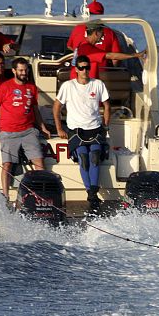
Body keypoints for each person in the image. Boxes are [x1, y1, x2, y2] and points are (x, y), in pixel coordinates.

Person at [0, 58, 51, 201]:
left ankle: (41, 195)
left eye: (26, 70)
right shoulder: (5, 87)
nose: (24, 73)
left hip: (28, 131)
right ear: (14, 71)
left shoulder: (32, 88)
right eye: (20, 70)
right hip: (8, 132)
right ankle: (6, 196)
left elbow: (34, 109)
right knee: (7, 164)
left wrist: (43, 127)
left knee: (39, 163)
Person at [52, 55, 110, 210]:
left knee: (95, 156)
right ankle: (91, 193)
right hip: (76, 129)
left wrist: (106, 125)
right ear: (76, 69)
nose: (85, 71)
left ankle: (93, 192)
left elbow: (106, 105)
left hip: (95, 128)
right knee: (83, 157)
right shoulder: (68, 86)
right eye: (82, 68)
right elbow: (56, 107)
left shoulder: (98, 84)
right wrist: (59, 128)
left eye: (87, 67)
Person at [71, 23, 146, 79]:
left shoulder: (83, 44)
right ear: (96, 33)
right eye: (102, 33)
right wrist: (136, 55)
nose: (103, 36)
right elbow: (113, 56)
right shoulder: (88, 49)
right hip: (83, 85)